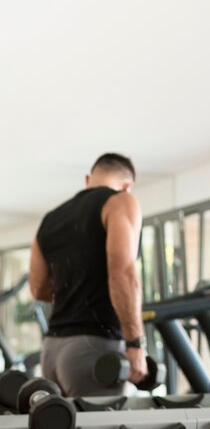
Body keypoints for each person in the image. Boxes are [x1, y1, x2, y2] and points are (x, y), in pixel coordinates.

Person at [29, 153, 148, 397]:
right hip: (93, 349)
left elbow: (38, 288)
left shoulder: (50, 219)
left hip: (52, 351)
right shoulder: (121, 201)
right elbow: (123, 273)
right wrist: (136, 343)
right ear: (127, 185)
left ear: (88, 180)